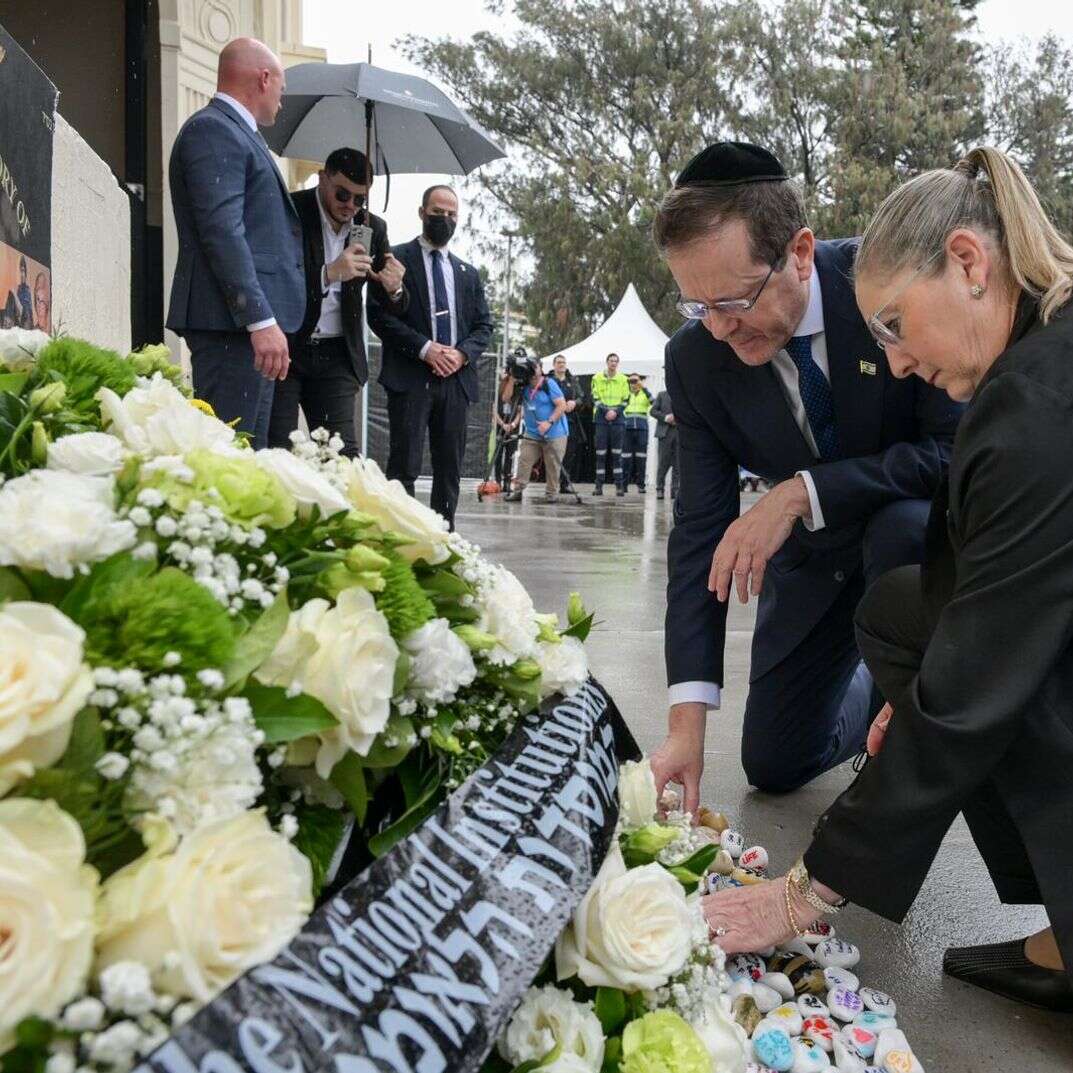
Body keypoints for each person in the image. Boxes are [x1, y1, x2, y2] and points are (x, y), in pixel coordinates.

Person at [702, 145, 1073, 1014]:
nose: (897, 364)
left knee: (971, 675)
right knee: (903, 613)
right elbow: (967, 601)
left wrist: (808, 890)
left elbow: (978, 675)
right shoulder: (1033, 360)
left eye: (897, 326)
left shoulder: (1037, 404)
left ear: (968, 264)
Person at [648, 142, 962, 804]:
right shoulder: (695, 362)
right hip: (815, 566)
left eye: (732, 301)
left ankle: (920, 710)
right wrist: (685, 725)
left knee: (898, 526)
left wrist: (800, 492)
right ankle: (872, 694)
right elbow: (699, 535)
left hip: (913, 544)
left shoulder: (880, 287)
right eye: (695, 307)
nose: (718, 329)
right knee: (774, 760)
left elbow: (947, 452)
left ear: (797, 251)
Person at [165, 37, 305, 449]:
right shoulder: (214, 130)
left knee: (247, 454)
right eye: (281, 87)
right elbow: (223, 231)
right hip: (230, 328)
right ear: (264, 79)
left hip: (239, 329)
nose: (282, 99)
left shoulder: (236, 134)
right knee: (228, 454)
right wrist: (260, 320)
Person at [367, 184, 494, 530]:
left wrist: (461, 354)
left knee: (449, 467)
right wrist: (426, 349)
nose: (445, 219)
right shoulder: (395, 259)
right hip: (411, 378)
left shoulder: (468, 273)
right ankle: (403, 535)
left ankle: (444, 539)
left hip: (455, 382)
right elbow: (378, 316)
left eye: (452, 214)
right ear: (422, 213)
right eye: (438, 212)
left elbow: (484, 325)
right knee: (404, 465)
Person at [268, 147, 407, 456]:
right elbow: (275, 278)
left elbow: (393, 304)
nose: (350, 206)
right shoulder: (290, 211)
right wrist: (329, 273)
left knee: (340, 455)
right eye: (342, 194)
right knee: (279, 450)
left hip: (338, 354)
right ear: (322, 179)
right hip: (288, 346)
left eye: (360, 199)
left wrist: (394, 288)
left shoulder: (371, 227)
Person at [503, 355, 569, 503]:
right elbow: (506, 398)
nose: (532, 370)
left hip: (555, 433)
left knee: (553, 464)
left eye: (535, 366)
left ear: (541, 368)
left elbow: (562, 405)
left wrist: (548, 422)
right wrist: (512, 378)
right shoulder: (523, 385)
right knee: (524, 460)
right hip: (532, 433)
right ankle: (518, 491)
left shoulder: (549, 383)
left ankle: (551, 493)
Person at [590, 352, 630, 496]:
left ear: (617, 364)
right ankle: (598, 486)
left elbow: (626, 400)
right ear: (607, 362)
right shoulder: (597, 377)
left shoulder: (623, 379)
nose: (613, 363)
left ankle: (619, 486)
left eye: (615, 361)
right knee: (600, 454)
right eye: (611, 361)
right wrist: (606, 411)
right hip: (601, 418)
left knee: (616, 454)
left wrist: (615, 412)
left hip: (618, 419)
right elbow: (595, 397)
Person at [550, 354, 583, 491]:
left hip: (570, 421)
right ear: (554, 365)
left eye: (563, 362)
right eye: (559, 362)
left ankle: (564, 483)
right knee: (554, 453)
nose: (561, 365)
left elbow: (582, 397)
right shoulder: (549, 380)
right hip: (554, 420)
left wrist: (574, 402)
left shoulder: (573, 380)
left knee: (569, 453)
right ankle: (552, 483)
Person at [493, 369, 522, 492]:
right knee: (498, 455)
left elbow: (521, 411)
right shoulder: (499, 388)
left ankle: (507, 481)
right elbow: (493, 409)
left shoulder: (519, 391)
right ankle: (498, 481)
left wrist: (514, 424)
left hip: (513, 427)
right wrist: (502, 423)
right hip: (500, 426)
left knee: (511, 455)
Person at [622, 373, 652, 492]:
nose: (633, 383)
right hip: (627, 429)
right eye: (631, 381)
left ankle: (641, 485)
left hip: (641, 428)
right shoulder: (626, 393)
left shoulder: (644, 393)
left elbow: (653, 402)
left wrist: (643, 387)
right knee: (625, 458)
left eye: (636, 381)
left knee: (641, 458)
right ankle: (624, 485)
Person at [650, 387, 678, 501]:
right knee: (663, 462)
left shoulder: (683, 395)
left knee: (678, 464)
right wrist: (666, 417)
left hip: (679, 432)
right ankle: (660, 489)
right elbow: (652, 411)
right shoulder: (661, 395)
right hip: (665, 433)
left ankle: (675, 490)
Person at [16, 257, 33, 329]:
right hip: (18, 322)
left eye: (23, 271)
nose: (22, 274)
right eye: (21, 271)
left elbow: (30, 310)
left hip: (26, 323)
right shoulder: (17, 289)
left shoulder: (28, 290)